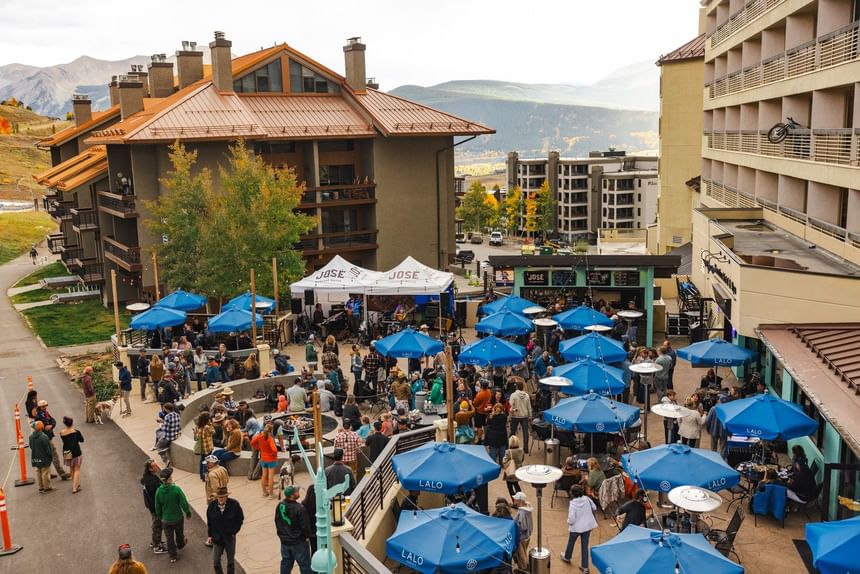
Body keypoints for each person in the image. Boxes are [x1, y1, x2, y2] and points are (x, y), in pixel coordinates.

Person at [155, 467, 192, 563]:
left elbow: (157, 507)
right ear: (169, 478)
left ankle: (173, 556)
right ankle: (180, 544)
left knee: (169, 538)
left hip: (166, 520)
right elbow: (183, 502)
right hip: (177, 518)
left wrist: (161, 517)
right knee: (179, 534)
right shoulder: (176, 489)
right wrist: (187, 512)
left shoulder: (158, 491)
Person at [276, 485, 314, 574]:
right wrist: (308, 536)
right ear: (292, 495)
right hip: (298, 542)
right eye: (296, 491)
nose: (298, 492)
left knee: (286, 563)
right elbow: (305, 526)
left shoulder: (280, 505)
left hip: (285, 541)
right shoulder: (300, 509)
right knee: (305, 565)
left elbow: (277, 521)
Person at [560, 484, 598, 572]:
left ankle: (567, 557)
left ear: (572, 494)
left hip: (576, 528)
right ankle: (585, 567)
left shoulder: (573, 504)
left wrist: (568, 521)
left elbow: (571, 519)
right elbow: (595, 508)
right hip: (587, 527)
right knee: (585, 546)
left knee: (571, 542)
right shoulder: (587, 499)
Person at [207, 486, 244, 574]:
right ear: (216, 497)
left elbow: (240, 519)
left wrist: (234, 531)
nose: (221, 499)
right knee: (216, 561)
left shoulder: (234, 504)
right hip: (217, 538)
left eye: (223, 496)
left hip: (229, 538)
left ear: (227, 496)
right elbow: (210, 522)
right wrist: (209, 535)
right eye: (219, 497)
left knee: (231, 562)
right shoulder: (211, 506)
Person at [34, 399, 70, 480]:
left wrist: (51, 426)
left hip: (47, 437)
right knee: (54, 456)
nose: (45, 407)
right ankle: (62, 474)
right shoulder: (38, 417)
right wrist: (48, 426)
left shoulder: (45, 414)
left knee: (47, 456)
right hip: (46, 438)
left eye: (45, 406)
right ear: (40, 407)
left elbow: (53, 421)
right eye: (43, 406)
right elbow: (43, 428)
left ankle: (48, 474)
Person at [140, 458, 167, 555]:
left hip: (152, 506)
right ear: (150, 469)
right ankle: (157, 546)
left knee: (156, 524)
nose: (157, 467)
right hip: (155, 508)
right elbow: (157, 496)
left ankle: (155, 541)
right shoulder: (151, 482)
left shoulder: (148, 478)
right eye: (155, 466)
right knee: (157, 525)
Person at [251, 423, 278, 498]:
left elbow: (252, 443)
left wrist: (259, 448)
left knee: (264, 475)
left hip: (263, 459)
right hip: (271, 460)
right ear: (271, 430)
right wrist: (274, 455)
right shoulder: (270, 438)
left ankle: (264, 492)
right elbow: (275, 450)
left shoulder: (259, 436)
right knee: (270, 476)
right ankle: (271, 494)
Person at [59, 416, 84, 493]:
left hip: (67, 453)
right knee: (77, 469)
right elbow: (82, 440)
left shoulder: (61, 433)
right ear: (72, 423)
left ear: (64, 423)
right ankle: (74, 488)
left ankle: (75, 484)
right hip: (76, 452)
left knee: (72, 469)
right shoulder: (76, 432)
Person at [511, 492, 533, 571]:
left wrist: (516, 528)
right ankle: (524, 567)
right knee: (523, 553)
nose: (514, 500)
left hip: (522, 537)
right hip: (527, 536)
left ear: (520, 500)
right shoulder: (527, 509)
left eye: (516, 499)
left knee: (521, 555)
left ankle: (523, 570)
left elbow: (523, 526)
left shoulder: (522, 512)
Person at [29, 421, 54, 493]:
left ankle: (40, 487)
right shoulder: (44, 437)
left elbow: (31, 446)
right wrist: (50, 456)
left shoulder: (31, 437)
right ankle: (47, 487)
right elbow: (48, 449)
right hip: (44, 458)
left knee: (38, 472)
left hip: (35, 457)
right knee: (45, 472)